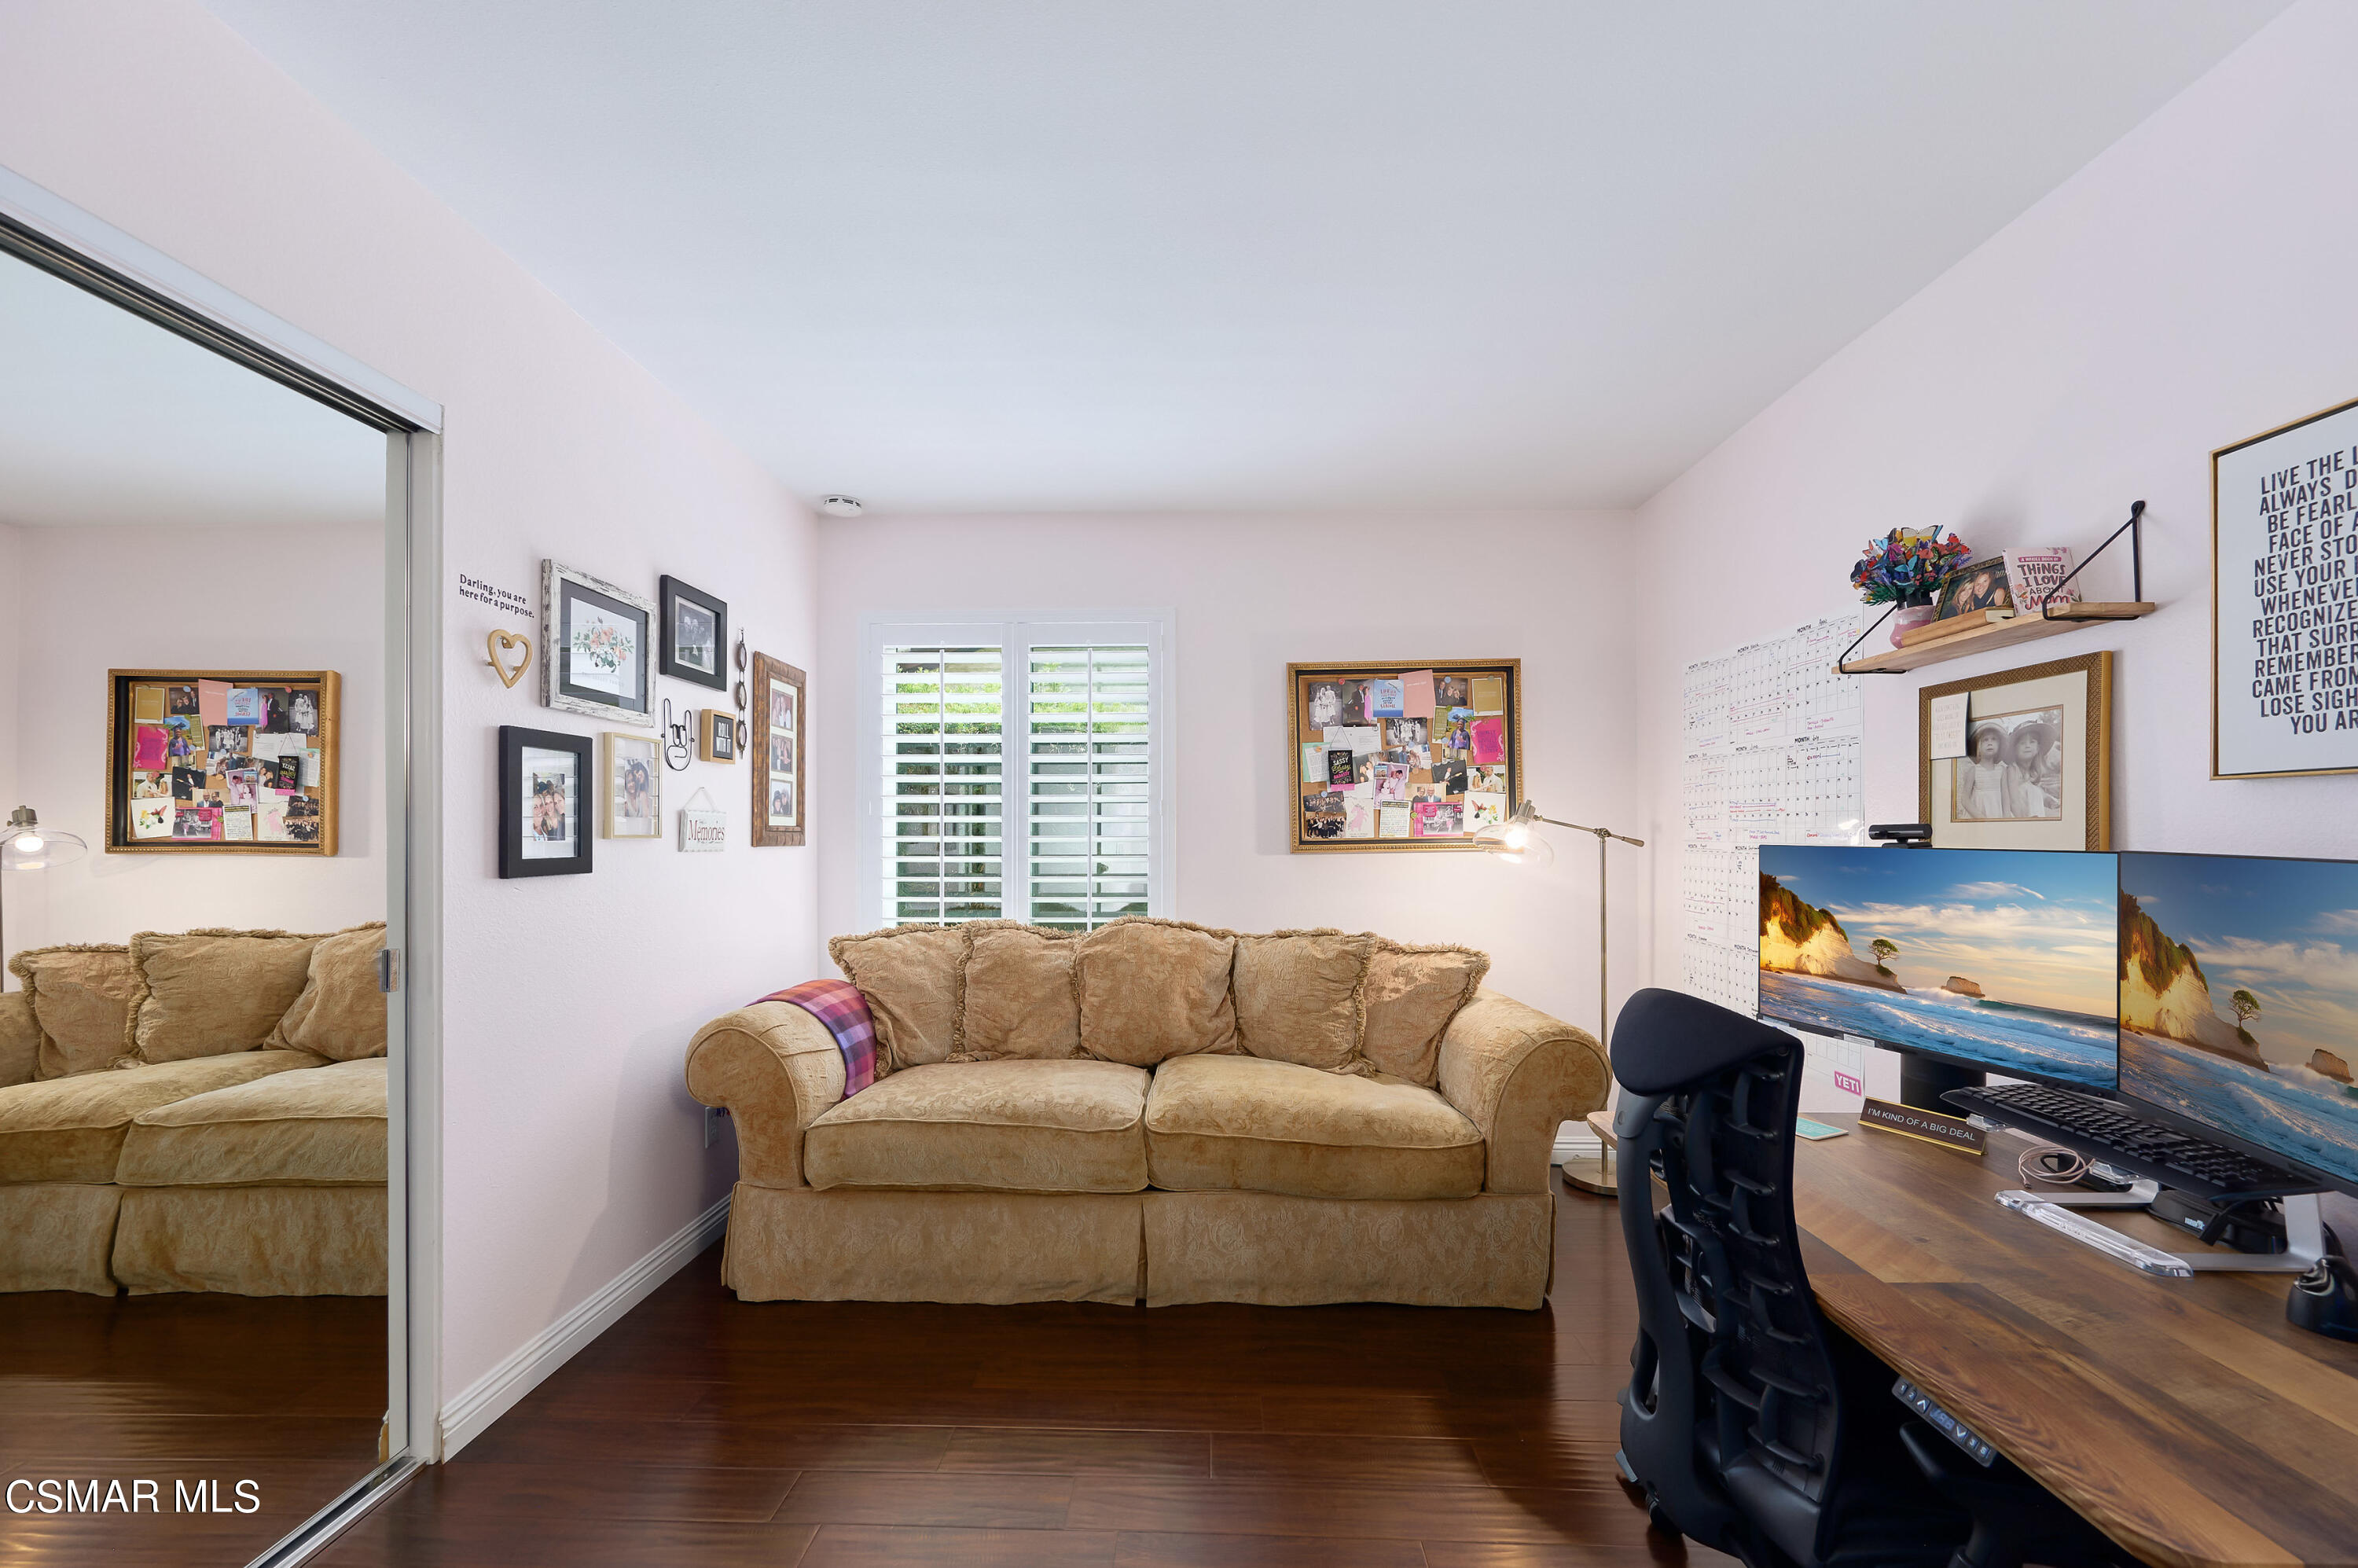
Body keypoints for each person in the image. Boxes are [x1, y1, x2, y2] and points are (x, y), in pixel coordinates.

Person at [2004, 721, 2059, 817]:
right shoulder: (2012, 770)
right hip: (2019, 816)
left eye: (2032, 742)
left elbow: (2037, 792)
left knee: (2035, 790)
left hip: (2032, 815)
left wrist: (2048, 800)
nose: (2027, 746)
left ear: (2038, 748)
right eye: (2022, 743)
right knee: (2031, 789)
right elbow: (2013, 801)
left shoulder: (2033, 772)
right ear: (2015, 749)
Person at [1955, 724, 2010, 820]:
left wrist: (2006, 818)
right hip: (1979, 816)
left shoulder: (2002, 770)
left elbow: (2005, 797)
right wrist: (1981, 818)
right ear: (1978, 746)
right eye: (1985, 740)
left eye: (1994, 739)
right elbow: (1965, 799)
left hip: (1997, 815)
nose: (1990, 743)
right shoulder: (1974, 770)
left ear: (1999, 745)